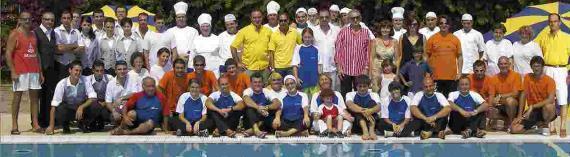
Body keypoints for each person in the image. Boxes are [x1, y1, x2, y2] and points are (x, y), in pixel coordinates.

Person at [7, 11, 43, 134]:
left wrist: (40, 72)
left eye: (29, 19)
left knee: (34, 99)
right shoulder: (15, 34)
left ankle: (35, 124)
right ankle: (14, 125)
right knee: (17, 98)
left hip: (34, 71)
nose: (27, 21)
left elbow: (37, 54)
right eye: (25, 19)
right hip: (20, 71)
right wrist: (12, 71)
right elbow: (8, 54)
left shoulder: (33, 34)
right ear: (20, 20)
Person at [536, 13, 568, 138]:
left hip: (561, 69)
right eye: (550, 21)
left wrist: (568, 70)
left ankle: (563, 125)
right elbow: (540, 56)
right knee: (550, 99)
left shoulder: (567, 37)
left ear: (559, 23)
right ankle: (552, 125)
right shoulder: (543, 38)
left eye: (555, 21)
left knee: (562, 98)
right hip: (547, 69)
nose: (553, 23)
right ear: (548, 23)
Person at [46, 61, 97, 135]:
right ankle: (65, 124)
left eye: (80, 71)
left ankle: (83, 123)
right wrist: (51, 126)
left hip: (80, 109)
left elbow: (93, 97)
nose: (78, 73)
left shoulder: (85, 80)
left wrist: (81, 107)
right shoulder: (62, 84)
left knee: (95, 105)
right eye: (76, 70)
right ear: (70, 70)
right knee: (60, 109)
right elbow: (54, 106)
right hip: (68, 109)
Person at [511, 56, 557, 135]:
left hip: (544, 109)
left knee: (549, 106)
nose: (536, 69)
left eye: (538, 66)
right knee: (514, 130)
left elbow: (550, 99)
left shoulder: (550, 80)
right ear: (531, 67)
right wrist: (519, 115)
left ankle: (545, 124)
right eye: (534, 66)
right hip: (532, 111)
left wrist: (532, 106)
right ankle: (537, 129)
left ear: (542, 67)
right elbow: (523, 95)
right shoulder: (527, 77)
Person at [334, 10, 373, 97]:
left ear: (360, 18)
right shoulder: (343, 32)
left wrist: (366, 68)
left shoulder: (366, 32)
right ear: (349, 19)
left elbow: (368, 52)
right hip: (345, 69)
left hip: (360, 69)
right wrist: (339, 67)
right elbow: (338, 51)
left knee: (360, 94)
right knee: (346, 94)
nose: (355, 20)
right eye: (352, 18)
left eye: (357, 17)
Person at [426, 15, 462, 96]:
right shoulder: (432, 39)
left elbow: (460, 56)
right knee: (436, 102)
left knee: (450, 101)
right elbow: (426, 56)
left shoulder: (455, 39)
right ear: (438, 25)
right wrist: (428, 72)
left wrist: (459, 73)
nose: (443, 25)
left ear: (449, 25)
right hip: (436, 77)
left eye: (446, 23)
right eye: (441, 23)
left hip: (452, 77)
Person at [231, 10, 272, 80]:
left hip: (264, 68)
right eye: (254, 18)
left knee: (264, 89)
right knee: (247, 89)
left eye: (259, 17)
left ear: (262, 17)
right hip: (249, 69)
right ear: (251, 18)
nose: (257, 20)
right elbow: (233, 47)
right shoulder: (244, 31)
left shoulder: (268, 31)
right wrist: (238, 63)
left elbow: (272, 49)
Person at [34, 11, 57, 128]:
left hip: (51, 68)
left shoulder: (53, 33)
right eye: (47, 19)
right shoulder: (36, 33)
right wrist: (39, 71)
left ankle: (46, 120)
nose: (49, 22)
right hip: (40, 69)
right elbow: (36, 52)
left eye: (52, 20)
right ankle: (37, 122)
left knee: (48, 96)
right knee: (38, 97)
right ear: (42, 20)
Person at [242, 73, 281, 138]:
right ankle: (256, 130)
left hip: (263, 119)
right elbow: (246, 100)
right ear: (251, 83)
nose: (257, 84)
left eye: (259, 82)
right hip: (250, 121)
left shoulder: (266, 91)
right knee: (249, 109)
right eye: (255, 82)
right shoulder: (248, 91)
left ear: (263, 83)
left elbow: (277, 103)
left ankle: (252, 130)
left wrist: (266, 107)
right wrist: (258, 108)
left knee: (272, 111)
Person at [489, 56, 522, 130]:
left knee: (509, 100)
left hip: (513, 106)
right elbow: (492, 95)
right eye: (501, 64)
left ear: (509, 64)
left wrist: (500, 96)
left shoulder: (516, 75)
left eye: (505, 63)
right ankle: (505, 120)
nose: (503, 66)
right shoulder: (493, 78)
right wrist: (492, 102)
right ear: (498, 65)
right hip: (500, 105)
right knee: (488, 108)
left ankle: (511, 123)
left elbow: (515, 94)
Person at [345, 75, 381, 140]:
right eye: (360, 86)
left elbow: (378, 107)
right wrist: (364, 111)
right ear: (356, 86)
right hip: (357, 123)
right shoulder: (350, 94)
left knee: (372, 103)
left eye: (364, 86)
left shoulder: (374, 94)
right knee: (356, 109)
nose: (362, 88)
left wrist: (370, 111)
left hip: (371, 121)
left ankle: (371, 131)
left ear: (368, 86)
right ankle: (365, 131)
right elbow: (350, 105)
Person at [313, 9, 341, 91]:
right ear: (318, 17)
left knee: (333, 93)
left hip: (332, 69)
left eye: (326, 17)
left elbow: (340, 49)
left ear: (329, 17)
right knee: (319, 94)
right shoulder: (313, 30)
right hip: (318, 69)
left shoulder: (337, 30)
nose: (324, 19)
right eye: (322, 17)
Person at [86, 60, 116, 132]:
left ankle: (103, 121)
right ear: (93, 70)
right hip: (93, 103)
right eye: (97, 71)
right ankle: (91, 121)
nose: (100, 73)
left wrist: (105, 103)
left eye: (101, 71)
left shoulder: (110, 78)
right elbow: (86, 95)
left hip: (106, 102)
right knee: (92, 105)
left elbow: (114, 95)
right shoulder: (87, 79)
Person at [269, 13, 302, 77]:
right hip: (278, 67)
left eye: (285, 20)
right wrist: (272, 69)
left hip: (292, 66)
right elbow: (271, 53)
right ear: (278, 21)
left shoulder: (295, 32)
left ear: (288, 21)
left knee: (293, 86)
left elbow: (301, 47)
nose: (283, 22)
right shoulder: (274, 35)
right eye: (281, 21)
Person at [292, 28, 322, 97]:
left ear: (312, 37)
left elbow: (320, 66)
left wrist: (320, 79)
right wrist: (296, 78)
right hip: (302, 81)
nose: (307, 39)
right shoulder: (298, 48)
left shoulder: (316, 49)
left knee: (314, 99)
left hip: (314, 81)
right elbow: (295, 65)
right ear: (302, 37)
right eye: (305, 37)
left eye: (309, 37)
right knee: (304, 101)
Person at [370, 20, 398, 92]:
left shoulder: (395, 41)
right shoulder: (375, 41)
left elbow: (397, 59)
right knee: (376, 90)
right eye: (383, 28)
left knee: (390, 90)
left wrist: (396, 73)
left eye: (387, 28)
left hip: (389, 69)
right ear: (380, 29)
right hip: (377, 69)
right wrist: (371, 72)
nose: (385, 30)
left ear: (390, 29)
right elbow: (371, 58)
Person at [55, 10, 82, 79]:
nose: (66, 20)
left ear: (71, 19)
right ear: (61, 19)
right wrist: (74, 45)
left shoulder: (76, 31)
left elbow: (81, 48)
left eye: (68, 18)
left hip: (73, 64)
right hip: (60, 64)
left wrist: (65, 48)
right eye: (64, 18)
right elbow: (59, 49)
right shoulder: (56, 31)